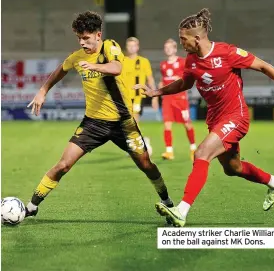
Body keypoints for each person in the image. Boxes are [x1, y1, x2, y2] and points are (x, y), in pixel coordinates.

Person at [134, 8, 274, 227]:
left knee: (202, 152)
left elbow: (262, 66)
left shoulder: (228, 53)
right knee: (233, 169)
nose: (181, 43)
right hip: (215, 119)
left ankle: (181, 211)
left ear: (196, 38)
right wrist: (156, 92)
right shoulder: (191, 60)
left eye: (183, 39)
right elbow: (185, 83)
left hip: (236, 116)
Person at [25, 11, 173, 217]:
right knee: (63, 164)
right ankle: (31, 207)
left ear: (98, 34)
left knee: (146, 164)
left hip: (123, 124)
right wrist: (42, 91)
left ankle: (167, 201)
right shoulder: (77, 57)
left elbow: (117, 67)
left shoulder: (109, 46)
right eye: (79, 38)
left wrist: (94, 65)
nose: (82, 42)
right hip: (93, 123)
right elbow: (61, 69)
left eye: (86, 38)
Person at [159, 39, 196, 161]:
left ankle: (193, 148)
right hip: (167, 98)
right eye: (166, 47)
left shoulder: (182, 62)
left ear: (175, 49)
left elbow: (190, 76)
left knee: (187, 124)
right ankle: (169, 151)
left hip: (180, 97)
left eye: (170, 47)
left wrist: (179, 79)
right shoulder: (163, 64)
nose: (168, 49)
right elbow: (162, 80)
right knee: (167, 124)